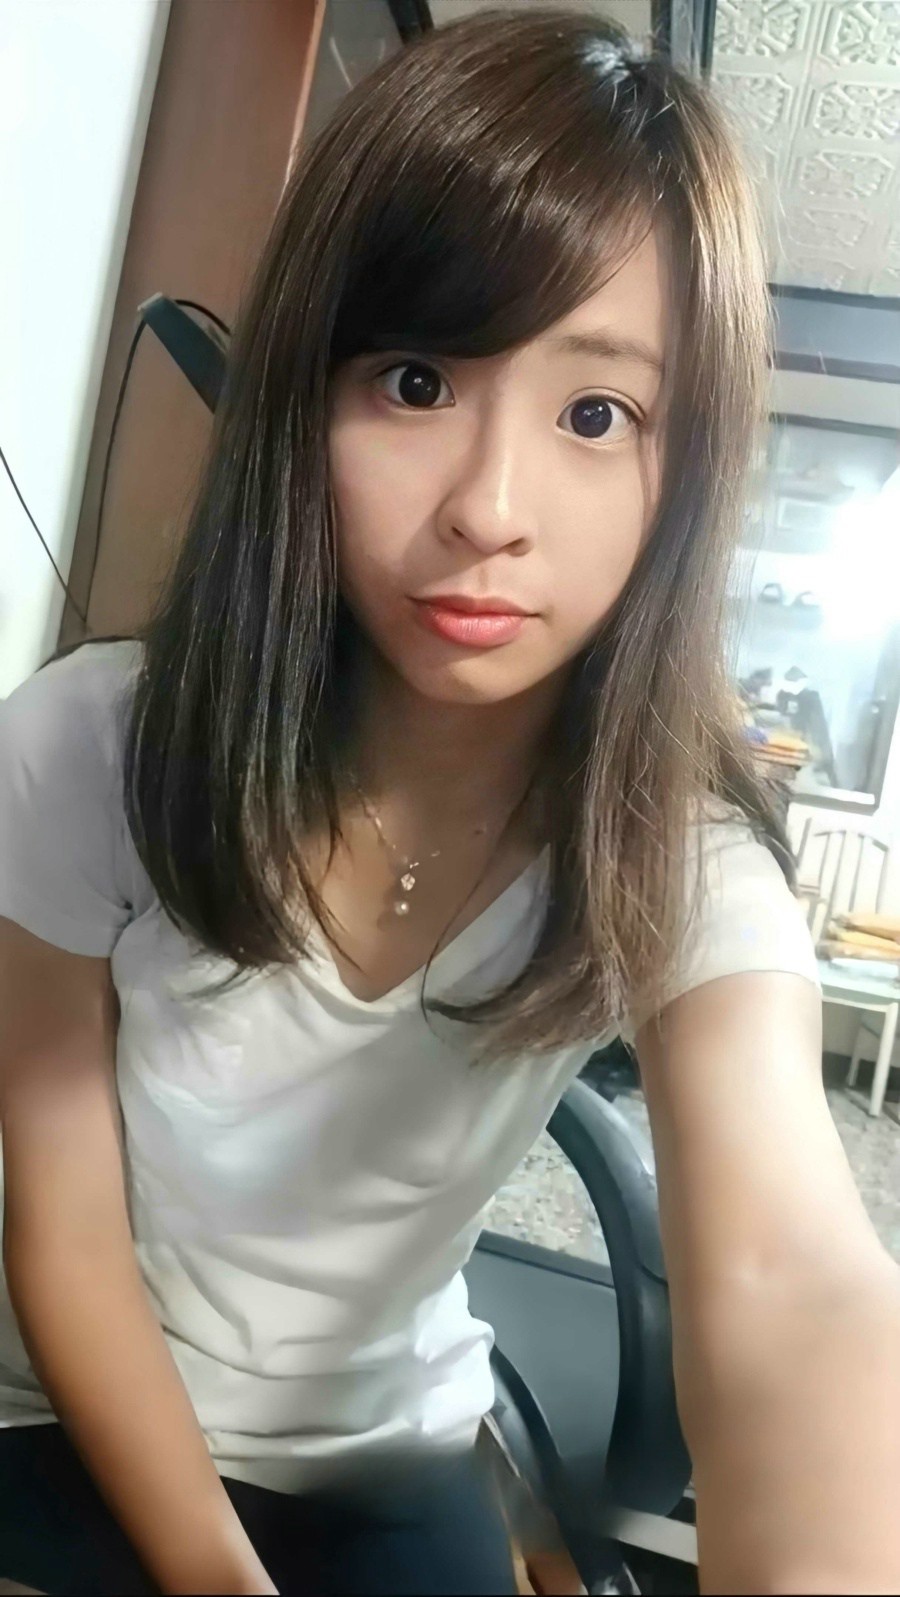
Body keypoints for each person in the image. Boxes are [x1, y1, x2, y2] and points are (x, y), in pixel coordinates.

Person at [1, 9, 898, 1595]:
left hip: (387, 1446)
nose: (490, 508)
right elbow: (58, 1230)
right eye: (415, 381)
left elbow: (793, 1278)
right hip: (67, 1413)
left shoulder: (671, 851)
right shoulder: (92, 747)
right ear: (306, 400)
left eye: (597, 415)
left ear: (683, 469)